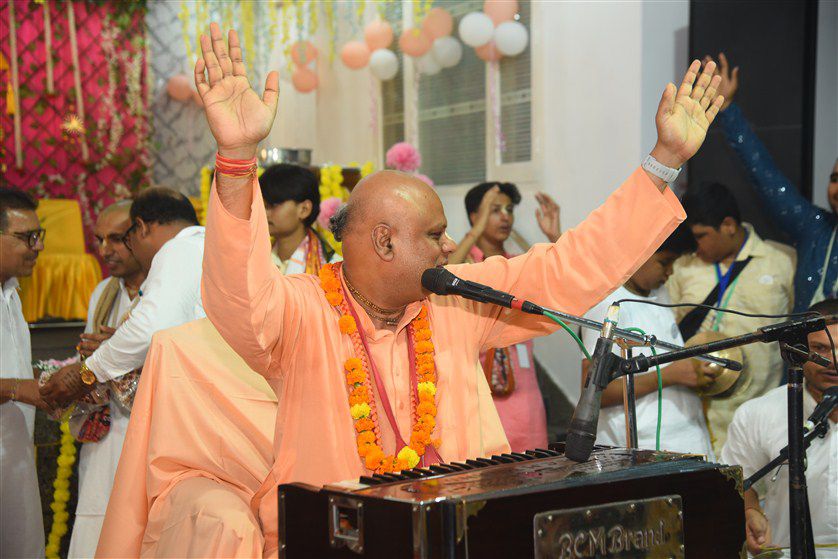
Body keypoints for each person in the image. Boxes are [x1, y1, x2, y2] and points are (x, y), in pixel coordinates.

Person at [98, 23, 725, 558]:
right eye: (435, 234)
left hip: (465, 534)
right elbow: (235, 290)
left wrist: (664, 161)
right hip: (337, 537)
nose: (449, 247)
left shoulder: (456, 298)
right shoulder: (299, 310)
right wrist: (237, 161)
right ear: (383, 242)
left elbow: (568, 270)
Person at [41, 187, 206, 406]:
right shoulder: (207, 245)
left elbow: (148, 330)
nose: (105, 251)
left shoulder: (179, 249)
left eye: (125, 239)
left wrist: (87, 373)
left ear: (142, 227)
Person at [667, 181, 795, 454]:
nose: (695, 246)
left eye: (700, 236)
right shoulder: (682, 267)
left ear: (727, 225)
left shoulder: (781, 262)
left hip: (759, 417)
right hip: (695, 417)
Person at [706, 53, 837, 312]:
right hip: (801, 353)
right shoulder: (816, 229)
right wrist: (728, 111)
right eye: (834, 179)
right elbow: (766, 177)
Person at [582, 223, 715, 457]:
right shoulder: (608, 304)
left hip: (686, 438)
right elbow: (595, 393)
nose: (670, 272)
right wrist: (668, 376)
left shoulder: (658, 292)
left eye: (675, 263)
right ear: (638, 252)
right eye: (665, 262)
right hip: (641, 448)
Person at [448, 182, 561, 451]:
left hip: (526, 394)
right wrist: (474, 233)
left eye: (509, 209)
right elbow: (445, 279)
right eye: (494, 210)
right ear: (475, 216)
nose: (506, 216)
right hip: (479, 394)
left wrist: (556, 237)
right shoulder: (465, 262)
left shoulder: (518, 263)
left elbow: (560, 290)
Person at [721, 298, 837, 558]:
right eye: (820, 349)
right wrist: (750, 511)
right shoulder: (758, 412)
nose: (832, 361)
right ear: (799, 352)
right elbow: (738, 482)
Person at [66, 200, 146, 558]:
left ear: (142, 235)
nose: (104, 250)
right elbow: (91, 372)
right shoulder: (103, 292)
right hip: (104, 441)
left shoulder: (164, 296)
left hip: (148, 440)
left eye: (116, 239)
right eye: (100, 239)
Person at [0, 187, 47, 558]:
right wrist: (20, 388)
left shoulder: (11, 293)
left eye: (38, 235)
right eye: (25, 238)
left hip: (14, 458)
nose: (37, 246)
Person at [260, 163, 339, 273]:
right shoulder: (255, 260)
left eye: (272, 205)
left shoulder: (332, 269)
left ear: (304, 209)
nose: (264, 213)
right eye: (261, 205)